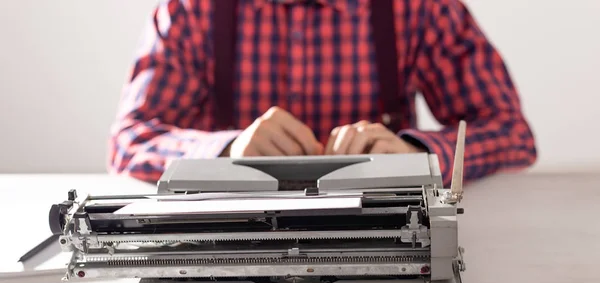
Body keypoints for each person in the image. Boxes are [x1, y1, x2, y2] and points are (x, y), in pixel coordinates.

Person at [108, 0, 537, 187]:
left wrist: (417, 154)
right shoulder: (194, 10)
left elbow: (512, 134)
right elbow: (130, 141)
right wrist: (226, 150)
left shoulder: (420, 7)